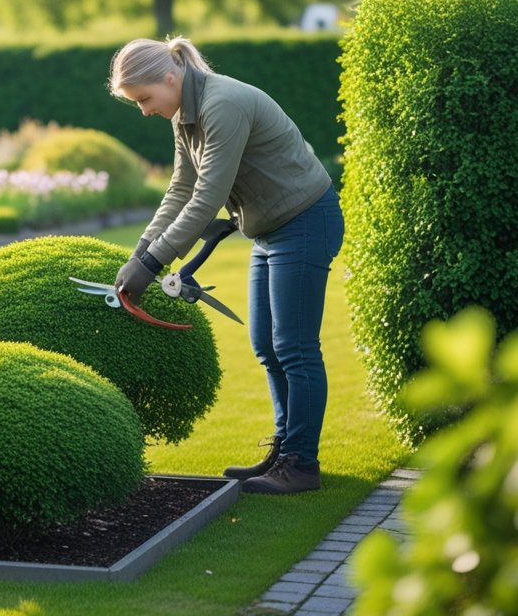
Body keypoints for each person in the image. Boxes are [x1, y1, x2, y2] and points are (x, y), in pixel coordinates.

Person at [109, 36, 344, 494]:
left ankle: (301, 465)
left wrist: (154, 262)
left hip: (305, 221)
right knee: (267, 345)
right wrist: (141, 250)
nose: (143, 110)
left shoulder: (223, 104)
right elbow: (180, 188)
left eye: (144, 98)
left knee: (294, 346)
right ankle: (285, 450)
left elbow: (207, 198)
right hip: (268, 230)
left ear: (170, 77)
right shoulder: (186, 113)